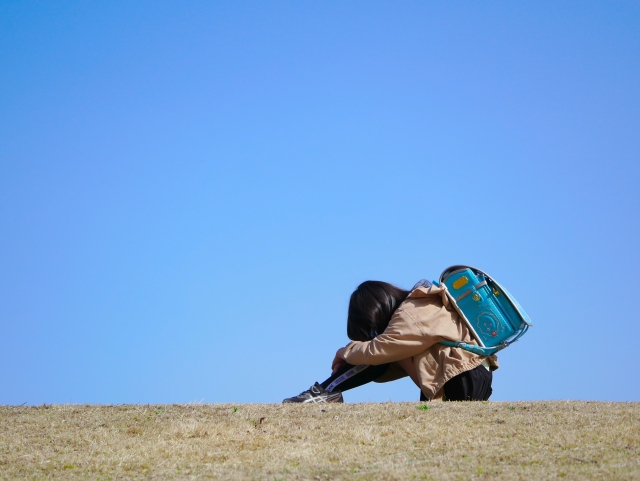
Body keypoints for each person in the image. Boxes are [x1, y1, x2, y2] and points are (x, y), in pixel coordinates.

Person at [282, 279, 498, 403]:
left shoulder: (411, 312)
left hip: (463, 381)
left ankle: (323, 394)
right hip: (471, 381)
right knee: (382, 354)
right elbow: (384, 367)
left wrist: (345, 352)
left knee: (379, 352)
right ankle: (329, 393)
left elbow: (380, 351)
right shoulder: (420, 305)